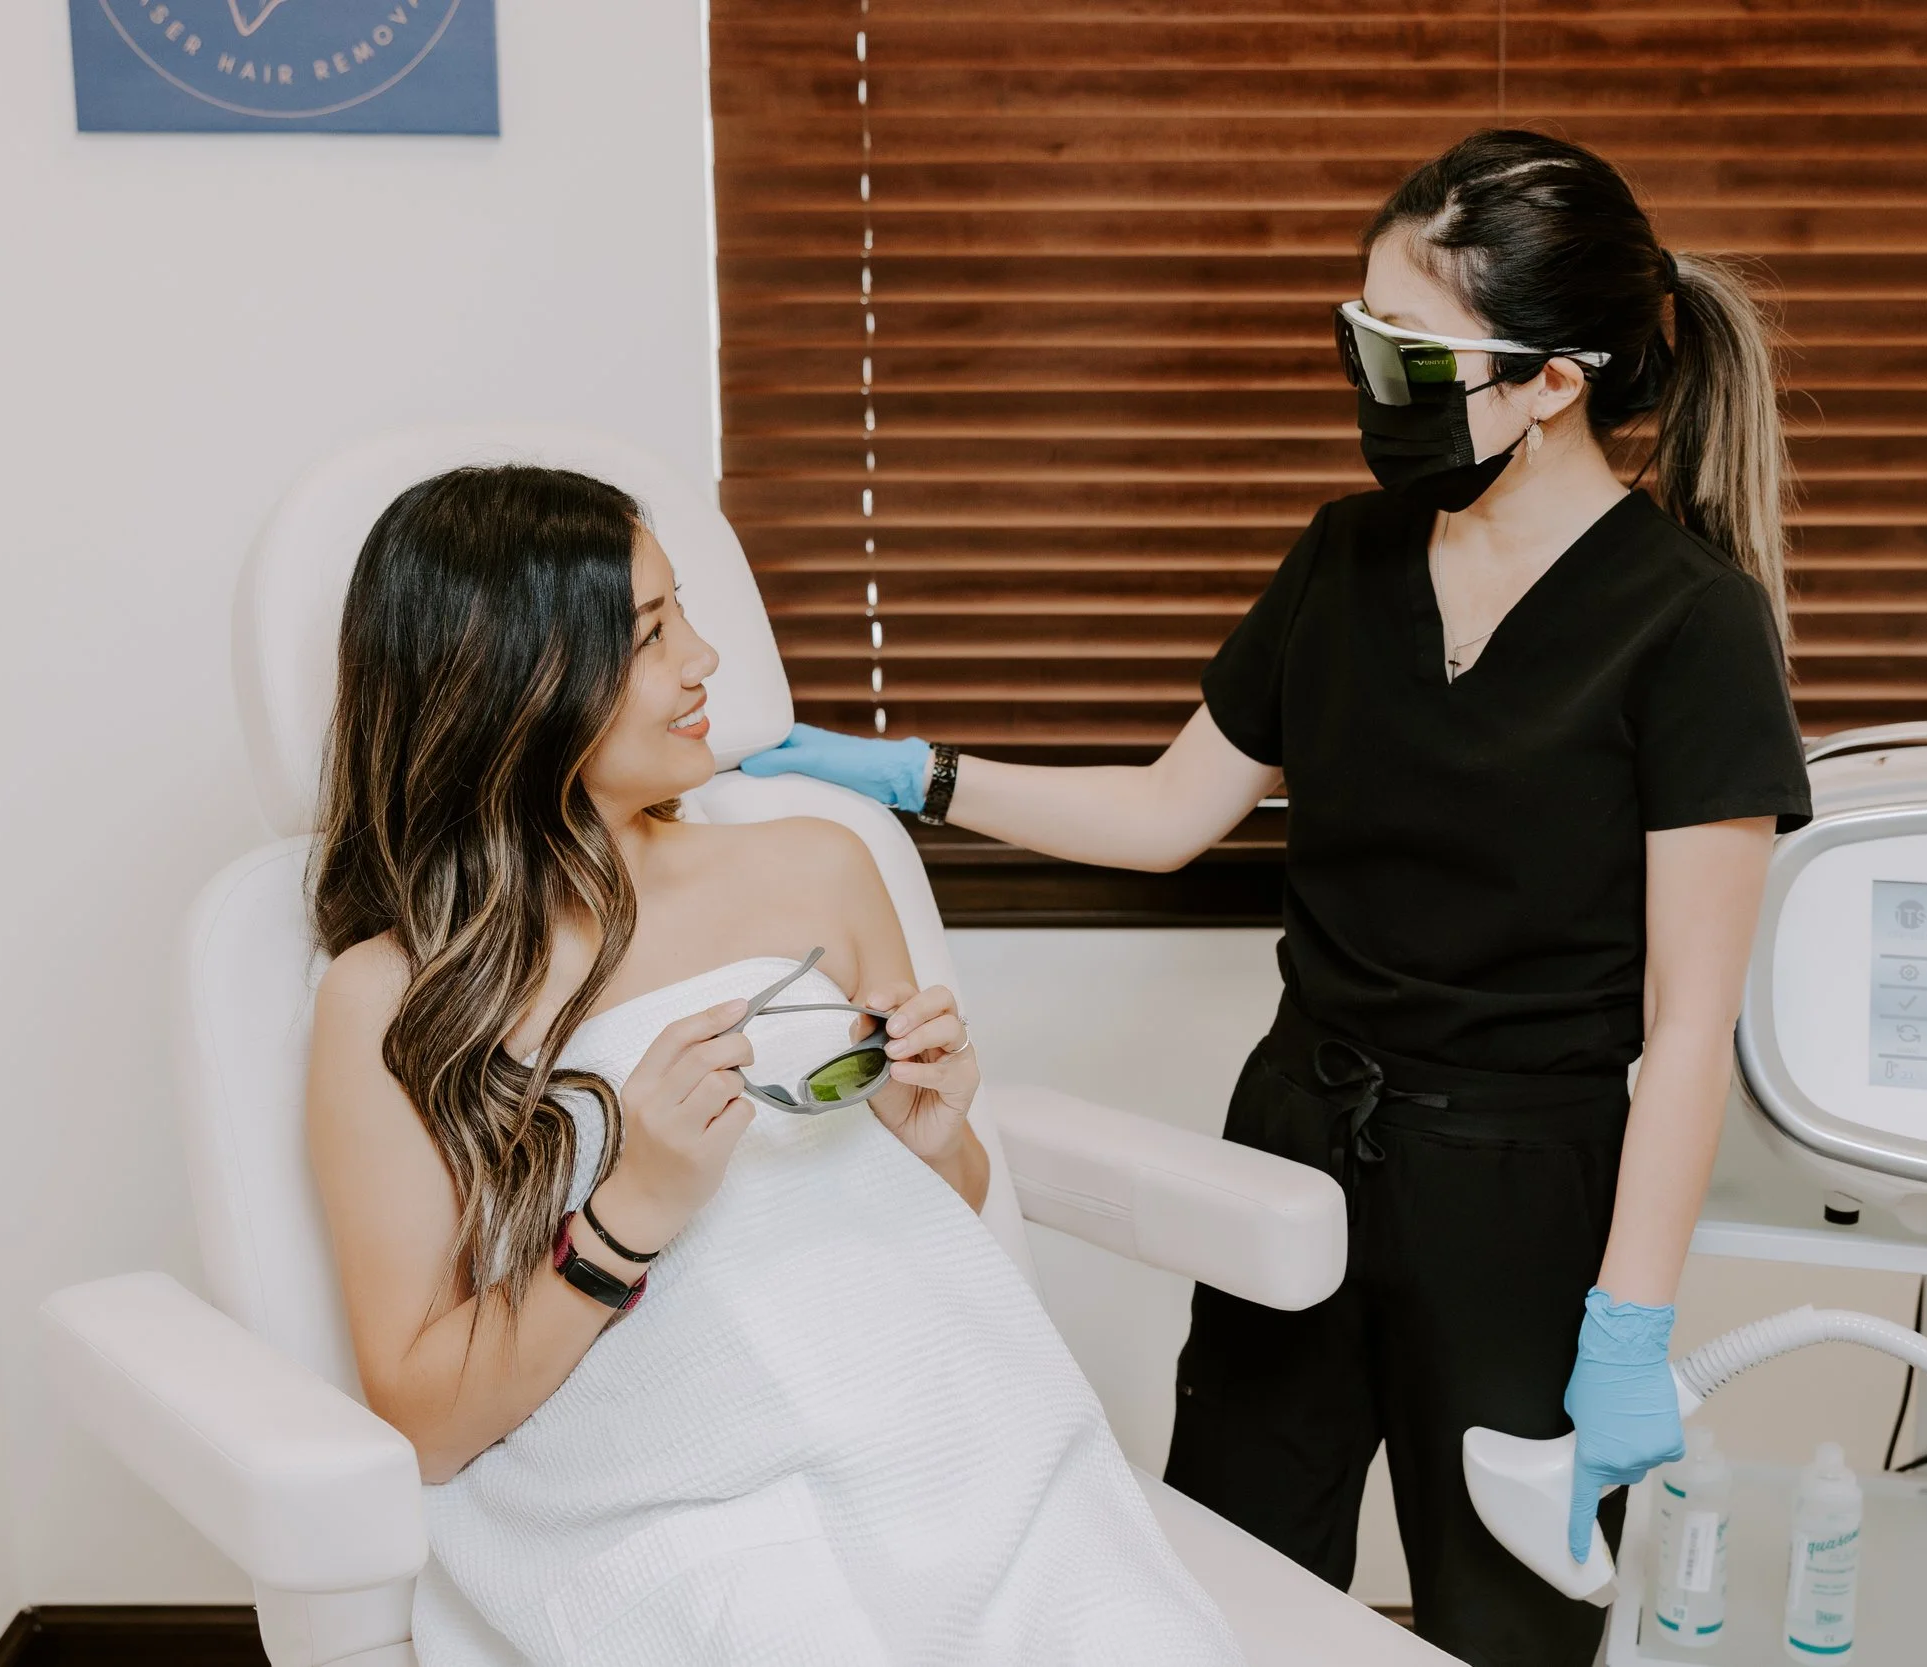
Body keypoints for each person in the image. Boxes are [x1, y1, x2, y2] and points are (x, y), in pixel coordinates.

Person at [740, 128, 1813, 1665]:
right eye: (1360, 333)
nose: (1374, 378)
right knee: (1218, 1587)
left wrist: (1629, 1328)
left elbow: (1691, 1028)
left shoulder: (1690, 628)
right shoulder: (1347, 557)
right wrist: (917, 772)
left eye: (1414, 353)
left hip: (1521, 1196)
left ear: (1553, 380)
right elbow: (1169, 812)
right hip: (1298, 1138)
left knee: (1505, 1623)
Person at [304, 465, 1242, 1666]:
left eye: (682, 610)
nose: (704, 659)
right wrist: (627, 1213)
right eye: (650, 635)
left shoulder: (820, 864)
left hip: (959, 1438)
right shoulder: (393, 995)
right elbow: (426, 1421)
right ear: (515, 679)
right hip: (691, 1507)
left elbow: (927, 1216)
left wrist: (931, 1133)